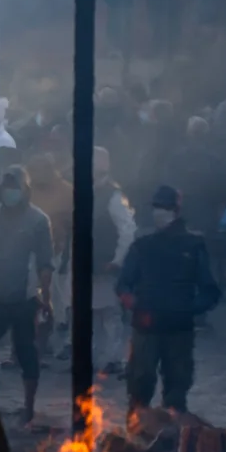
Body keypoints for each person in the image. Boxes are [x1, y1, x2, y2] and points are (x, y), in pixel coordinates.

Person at [117, 184, 221, 416]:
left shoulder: (193, 246)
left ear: (176, 209)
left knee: (176, 391)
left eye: (163, 207)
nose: (159, 212)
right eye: (156, 207)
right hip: (146, 327)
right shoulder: (142, 246)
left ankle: (173, 441)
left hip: (178, 330)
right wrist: (136, 305)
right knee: (139, 387)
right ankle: (137, 434)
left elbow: (211, 290)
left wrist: (187, 310)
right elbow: (123, 284)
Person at [0, 166, 56, 426]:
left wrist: (46, 297)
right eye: (6, 186)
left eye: (14, 187)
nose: (10, 192)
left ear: (25, 190)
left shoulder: (38, 220)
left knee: (26, 351)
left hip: (25, 297)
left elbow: (45, 262)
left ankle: (28, 407)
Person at [90, 148, 138, 373]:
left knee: (110, 313)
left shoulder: (113, 195)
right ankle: (95, 356)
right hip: (86, 264)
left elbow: (127, 230)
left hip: (105, 263)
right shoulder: (83, 191)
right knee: (91, 313)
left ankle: (112, 358)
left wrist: (117, 260)